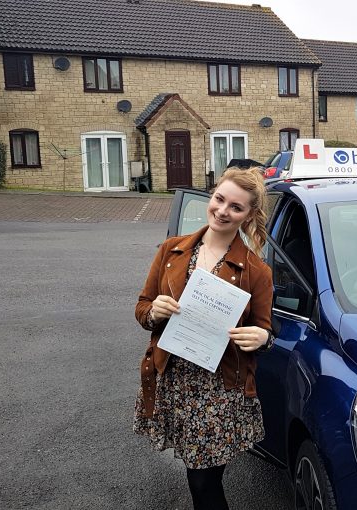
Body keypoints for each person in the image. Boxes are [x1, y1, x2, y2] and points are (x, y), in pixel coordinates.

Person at [133, 167, 274, 510]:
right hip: (176, 379)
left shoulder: (256, 271)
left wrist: (261, 337)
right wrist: (155, 311)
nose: (223, 211)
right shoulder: (172, 251)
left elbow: (265, 329)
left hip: (220, 388)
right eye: (219, 199)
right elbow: (142, 307)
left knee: (203, 479)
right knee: (197, 475)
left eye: (236, 207)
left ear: (249, 215)